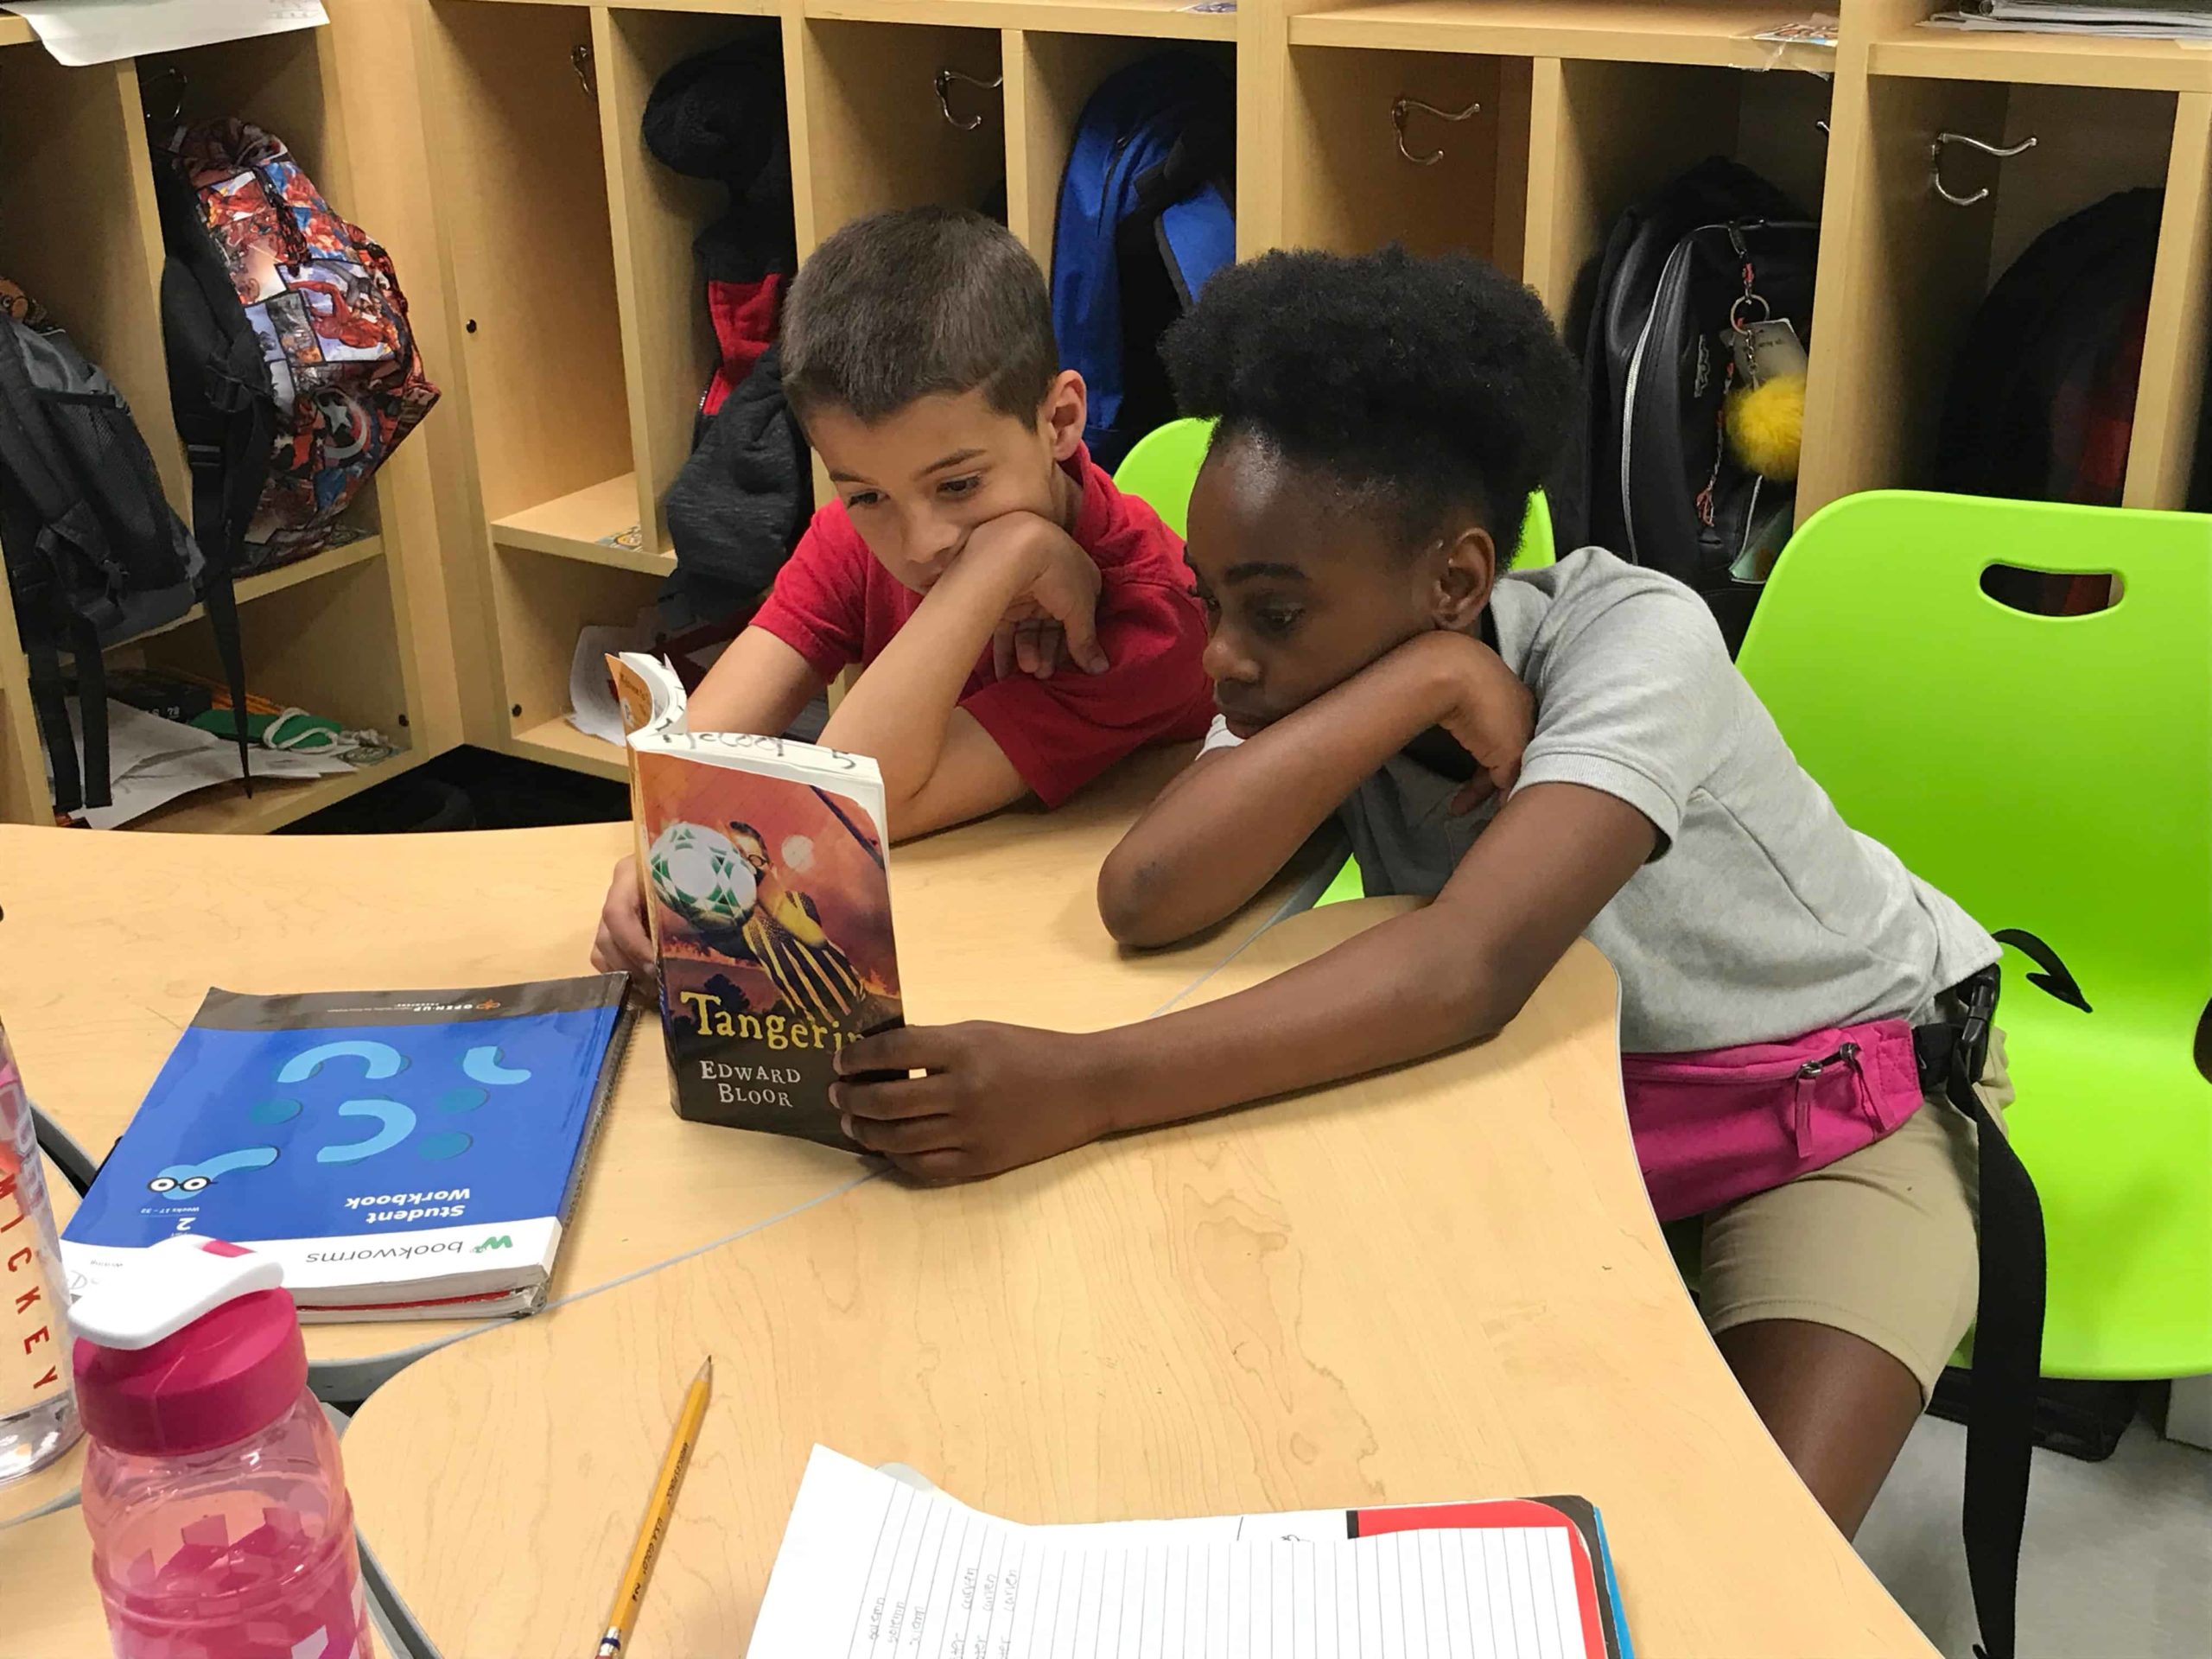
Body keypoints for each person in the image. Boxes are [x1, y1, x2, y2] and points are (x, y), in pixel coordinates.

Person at [828, 246, 2009, 1540]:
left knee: (1750, 1569)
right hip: (1578, 1095)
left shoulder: (1637, 636)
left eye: (1272, 613)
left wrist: (1090, 1084)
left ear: (1455, 579)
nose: (1223, 655)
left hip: (1844, 1101)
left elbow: (1470, 969)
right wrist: (1420, 684)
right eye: (1216, 600)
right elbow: (1147, 892)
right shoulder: (1326, 673)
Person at [593, 207, 1214, 978]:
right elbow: (699, 763)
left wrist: (1002, 560)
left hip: (1090, 958)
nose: (922, 544)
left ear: (1059, 420)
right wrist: (658, 847)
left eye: (958, 484)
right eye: (865, 494)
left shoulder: (1150, 622)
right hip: (934, 927)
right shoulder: (856, 531)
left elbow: (849, 812)